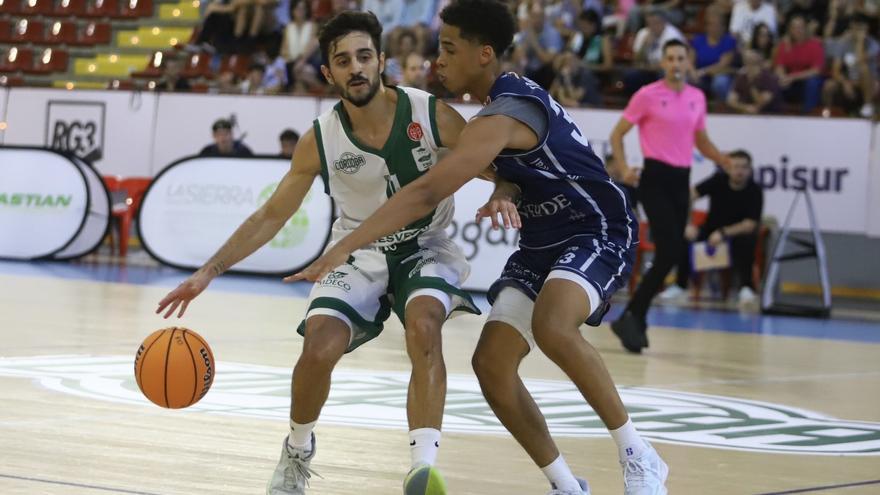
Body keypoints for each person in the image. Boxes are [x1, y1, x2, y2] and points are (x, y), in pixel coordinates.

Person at [291, 1, 669, 493]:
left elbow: (425, 192)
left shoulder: (505, 112)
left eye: (449, 48)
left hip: (594, 228)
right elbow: (506, 170)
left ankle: (638, 454)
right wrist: (504, 189)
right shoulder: (490, 117)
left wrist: (345, 246)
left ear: (484, 54)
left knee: (553, 326)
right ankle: (566, 486)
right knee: (490, 365)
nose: (438, 60)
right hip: (540, 244)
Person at [157, 11, 479, 494]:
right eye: (343, 60)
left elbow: (491, 159)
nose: (356, 68)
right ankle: (297, 448)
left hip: (424, 246)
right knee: (318, 348)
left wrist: (506, 193)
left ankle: (421, 469)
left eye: (365, 57)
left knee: (424, 324)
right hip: (357, 250)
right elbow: (271, 216)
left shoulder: (428, 112)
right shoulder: (319, 140)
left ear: (382, 61)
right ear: (328, 74)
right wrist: (209, 271)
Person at [609, 39, 731, 354]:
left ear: (688, 62)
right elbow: (617, 133)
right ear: (663, 63)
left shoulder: (696, 97)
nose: (676, 63)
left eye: (681, 58)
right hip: (655, 178)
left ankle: (635, 315)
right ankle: (634, 315)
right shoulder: (648, 95)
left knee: (673, 254)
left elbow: (700, 140)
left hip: (682, 179)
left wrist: (722, 160)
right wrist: (623, 167)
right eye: (671, 58)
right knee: (670, 249)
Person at [661, 149, 764, 305]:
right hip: (709, 230)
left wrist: (723, 233)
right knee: (686, 238)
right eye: (735, 166)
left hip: (735, 234)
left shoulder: (755, 191)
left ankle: (746, 288)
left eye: (744, 167)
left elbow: (750, 225)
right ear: (727, 168)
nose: (739, 171)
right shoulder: (717, 180)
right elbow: (689, 196)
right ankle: (680, 285)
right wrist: (687, 223)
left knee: (747, 241)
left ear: (750, 170)